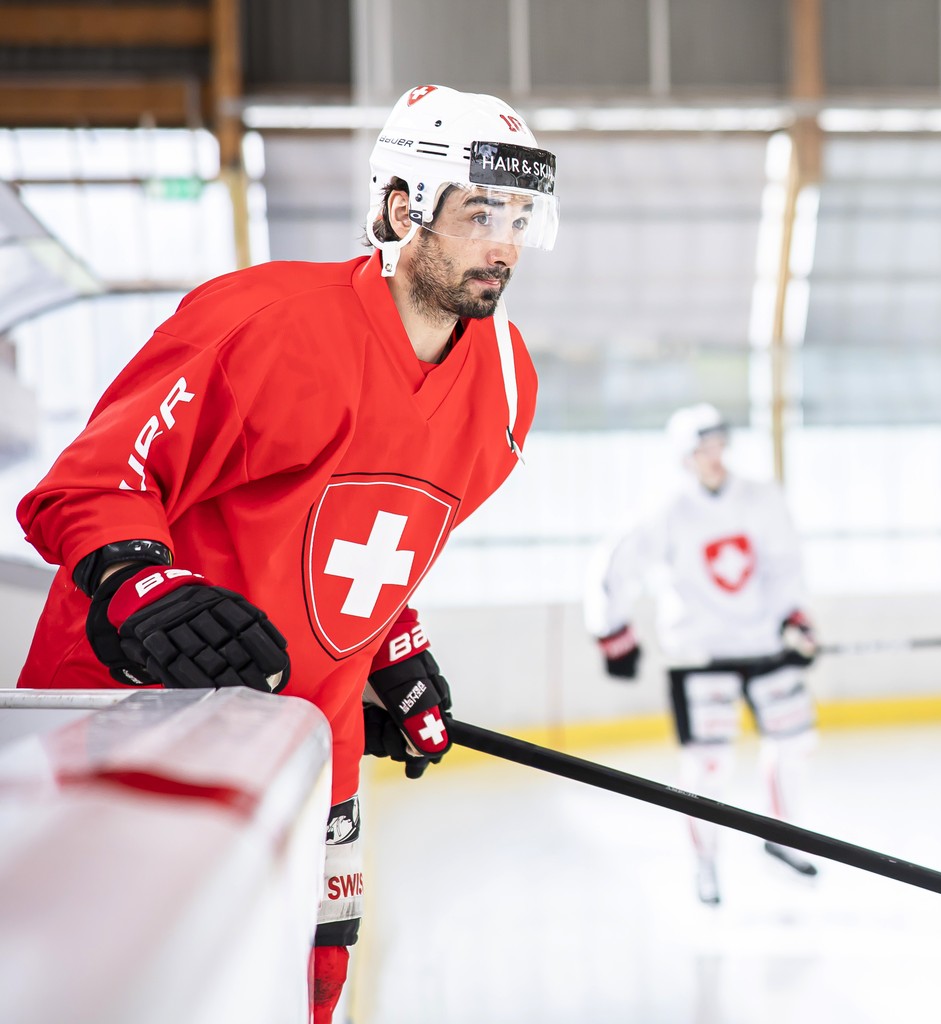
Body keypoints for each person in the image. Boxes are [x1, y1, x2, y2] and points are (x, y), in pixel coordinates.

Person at [14, 83, 554, 1022]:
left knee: (314, 987)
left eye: (519, 215)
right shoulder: (268, 323)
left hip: (313, 734)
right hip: (142, 721)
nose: (503, 243)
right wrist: (139, 581)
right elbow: (86, 483)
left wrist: (393, 650)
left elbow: (375, 539)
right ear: (403, 210)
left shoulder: (507, 388)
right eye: (478, 214)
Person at [585, 403, 821, 906]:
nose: (714, 458)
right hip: (699, 652)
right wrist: (611, 629)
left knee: (796, 742)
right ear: (683, 457)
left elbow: (785, 564)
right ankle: (706, 862)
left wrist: (794, 615)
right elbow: (618, 564)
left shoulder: (761, 498)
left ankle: (782, 838)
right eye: (701, 449)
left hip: (764, 643)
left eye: (719, 446)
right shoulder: (667, 509)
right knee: (708, 765)